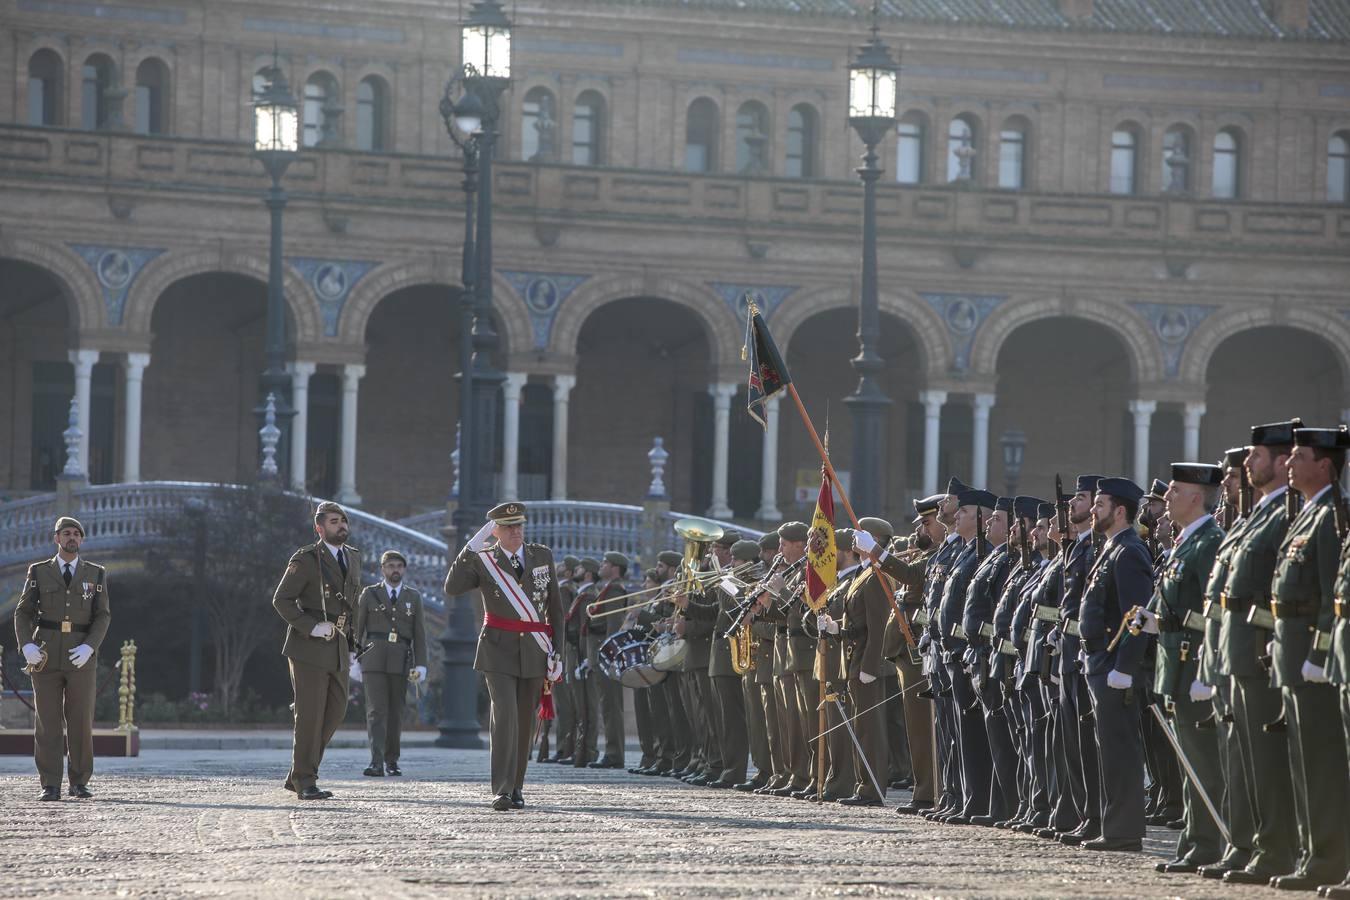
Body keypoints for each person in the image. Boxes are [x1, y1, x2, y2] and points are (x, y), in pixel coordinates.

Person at [1266, 426, 1350, 890]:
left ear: (1325, 465)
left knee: (1322, 764)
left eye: (1301, 455)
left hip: (1318, 657)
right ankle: (1311, 854)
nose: (1290, 462)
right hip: (1296, 651)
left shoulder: (1331, 517)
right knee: (1302, 761)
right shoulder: (1308, 515)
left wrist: (1318, 651)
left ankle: (1327, 858)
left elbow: (1326, 594)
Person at [1135, 463, 1226, 874]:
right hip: (1174, 666)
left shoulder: (1209, 543)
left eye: (1173, 492)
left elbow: (1214, 614)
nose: (1165, 500)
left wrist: (1208, 672)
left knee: (1202, 762)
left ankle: (1207, 844)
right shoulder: (1188, 542)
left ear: (1195, 497)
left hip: (1194, 667)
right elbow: (1173, 606)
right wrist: (1148, 619)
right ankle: (1193, 841)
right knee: (1189, 760)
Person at [444, 501, 564, 811]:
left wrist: (558, 651)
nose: (516, 532)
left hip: (535, 649)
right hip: (497, 650)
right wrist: (470, 548)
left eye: (519, 525)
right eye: (509, 527)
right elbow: (453, 587)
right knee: (506, 716)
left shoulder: (542, 556)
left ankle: (517, 786)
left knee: (524, 720)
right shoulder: (485, 561)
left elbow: (556, 610)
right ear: (494, 531)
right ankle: (501, 788)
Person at [1077, 476, 1152, 852]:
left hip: (1113, 666)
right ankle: (1114, 825)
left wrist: (1125, 666)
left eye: (1100, 504)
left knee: (1120, 749)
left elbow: (1136, 616)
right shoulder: (1111, 548)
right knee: (1107, 748)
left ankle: (1124, 831)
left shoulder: (1130, 551)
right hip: (1099, 661)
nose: (1093, 510)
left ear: (1120, 511)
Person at [272, 501, 364, 800]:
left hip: (338, 643)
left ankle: (299, 772)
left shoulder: (353, 557)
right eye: (335, 521)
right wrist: (310, 626)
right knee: (310, 714)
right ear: (319, 528)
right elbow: (282, 600)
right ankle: (305, 779)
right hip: (309, 645)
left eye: (344, 521)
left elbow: (352, 608)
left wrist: (352, 646)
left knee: (336, 711)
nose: (342, 526)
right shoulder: (307, 559)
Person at [15, 516, 111, 801]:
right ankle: (50, 783)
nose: (72, 538)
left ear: (81, 540)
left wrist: (90, 647)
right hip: (45, 655)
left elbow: (102, 615)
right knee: (48, 721)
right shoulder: (39, 571)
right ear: (56, 538)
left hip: (80, 655)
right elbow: (22, 612)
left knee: (80, 721)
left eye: (77, 534)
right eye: (66, 533)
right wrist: (26, 645)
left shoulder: (96, 573)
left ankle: (79, 781)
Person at [352, 549, 427, 777]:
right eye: (391, 566)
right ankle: (375, 761)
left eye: (399, 566)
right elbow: (357, 628)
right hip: (373, 658)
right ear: (382, 569)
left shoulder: (413, 597)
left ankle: (391, 761)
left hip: (400, 659)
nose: (395, 570)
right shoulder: (369, 594)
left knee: (396, 711)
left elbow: (420, 634)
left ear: (404, 569)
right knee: (376, 711)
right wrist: (354, 658)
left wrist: (421, 664)